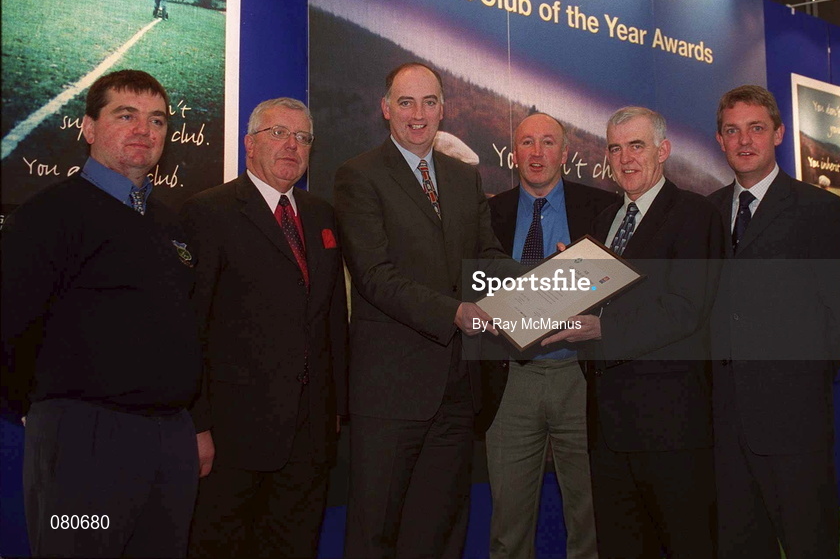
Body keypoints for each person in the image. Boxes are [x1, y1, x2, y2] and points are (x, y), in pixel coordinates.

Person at [0, 69, 201, 557]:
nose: (144, 130)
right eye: (125, 115)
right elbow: (10, 325)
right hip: (84, 443)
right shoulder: (49, 215)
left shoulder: (169, 223)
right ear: (88, 128)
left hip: (169, 444)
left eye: (157, 120)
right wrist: (47, 413)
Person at [334, 62, 514, 558]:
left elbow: (488, 259)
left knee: (439, 534)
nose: (419, 114)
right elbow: (374, 276)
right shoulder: (358, 176)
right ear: (385, 108)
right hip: (391, 393)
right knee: (376, 534)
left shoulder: (462, 177)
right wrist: (455, 312)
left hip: (457, 391)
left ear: (443, 109)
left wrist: (547, 280)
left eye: (430, 102)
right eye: (406, 102)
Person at [541, 106, 724, 558]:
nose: (624, 158)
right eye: (615, 148)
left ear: (663, 151)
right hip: (608, 429)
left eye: (636, 146)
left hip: (672, 430)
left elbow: (684, 309)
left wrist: (600, 327)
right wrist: (567, 287)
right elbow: (599, 303)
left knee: (687, 545)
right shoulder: (602, 223)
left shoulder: (695, 214)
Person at [182, 98, 347, 558]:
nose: (292, 145)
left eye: (303, 137)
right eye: (279, 133)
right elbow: (193, 328)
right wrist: (197, 424)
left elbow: (332, 318)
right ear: (249, 144)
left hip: (309, 438)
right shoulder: (208, 212)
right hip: (234, 439)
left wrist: (335, 409)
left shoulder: (320, 216)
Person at [707, 85, 840, 559]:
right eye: (732, 130)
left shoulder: (820, 210)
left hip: (795, 422)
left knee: (810, 543)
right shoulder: (704, 214)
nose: (744, 140)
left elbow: (839, 314)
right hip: (724, 425)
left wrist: (800, 381)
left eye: (756, 128)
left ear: (779, 134)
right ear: (720, 139)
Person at [481, 112, 616, 559]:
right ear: (513, 152)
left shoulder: (602, 209)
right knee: (508, 526)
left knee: (591, 520)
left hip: (581, 380)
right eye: (526, 143)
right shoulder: (488, 212)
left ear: (565, 151)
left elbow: (618, 293)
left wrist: (581, 281)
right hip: (510, 384)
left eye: (547, 143)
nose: (537, 153)